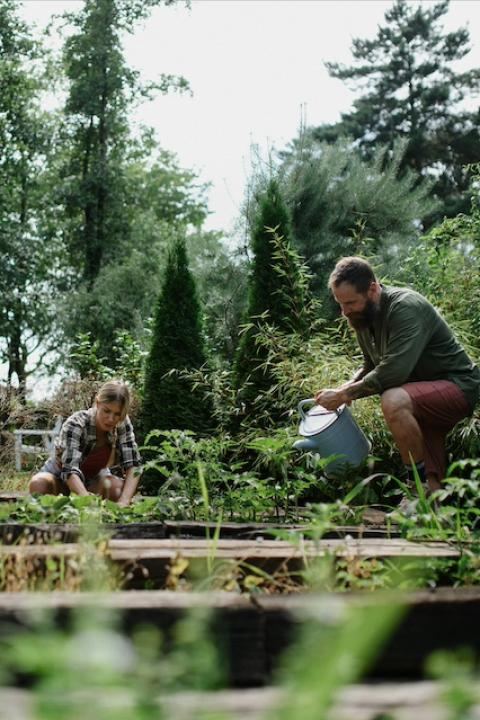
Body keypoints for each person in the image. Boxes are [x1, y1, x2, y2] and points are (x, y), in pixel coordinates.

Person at [315, 257, 480, 493]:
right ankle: (427, 502)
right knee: (434, 488)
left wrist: (344, 394)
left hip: (458, 386)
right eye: (340, 303)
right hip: (419, 392)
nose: (344, 311)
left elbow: (394, 370)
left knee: (393, 400)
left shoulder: (405, 307)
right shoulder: (362, 317)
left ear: (372, 289)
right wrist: (347, 386)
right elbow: (371, 364)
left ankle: (416, 488)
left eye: (350, 302)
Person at [29, 380, 142, 507]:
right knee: (39, 484)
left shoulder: (121, 423)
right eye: (106, 411)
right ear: (98, 403)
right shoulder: (76, 424)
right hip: (60, 475)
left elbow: (133, 465)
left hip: (95, 477)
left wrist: (125, 500)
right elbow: (69, 471)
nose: (111, 419)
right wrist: (88, 502)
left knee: (117, 490)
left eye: (117, 414)